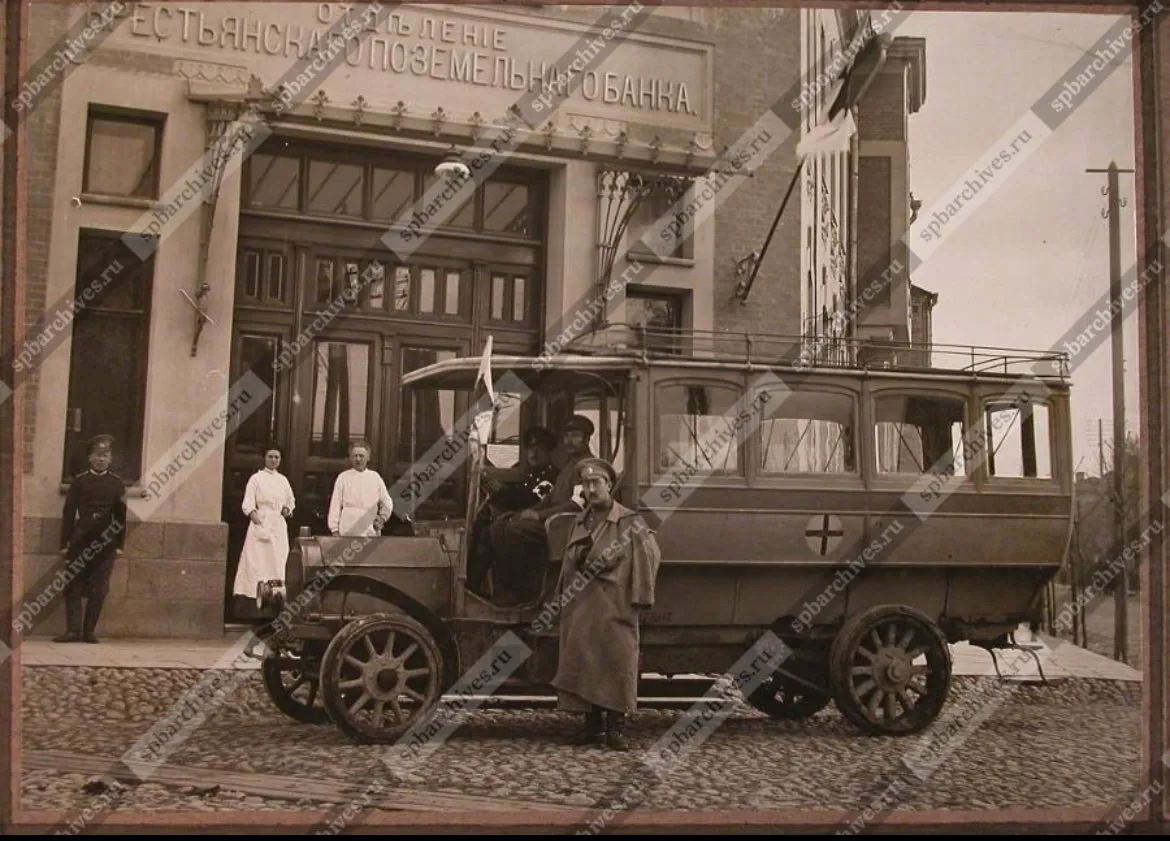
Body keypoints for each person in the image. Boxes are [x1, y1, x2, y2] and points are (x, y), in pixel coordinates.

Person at [551, 456, 661, 751]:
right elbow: (567, 564)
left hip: (615, 606)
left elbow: (648, 558)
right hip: (582, 607)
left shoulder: (629, 522)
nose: (590, 489)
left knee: (616, 663)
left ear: (609, 485)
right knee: (586, 662)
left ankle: (616, 729)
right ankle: (593, 727)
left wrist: (640, 598)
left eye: (596, 483)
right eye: (586, 484)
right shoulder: (580, 520)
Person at [488, 415, 596, 603]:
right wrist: (525, 513)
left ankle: (521, 592)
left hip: (567, 526)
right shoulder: (569, 466)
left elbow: (577, 504)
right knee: (501, 526)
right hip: (552, 521)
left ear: (586, 439)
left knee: (515, 530)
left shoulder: (587, 466)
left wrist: (538, 515)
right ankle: (503, 590)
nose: (569, 441)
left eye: (575, 435)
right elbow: (550, 498)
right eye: (566, 436)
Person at [468, 425, 559, 597]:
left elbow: (530, 500)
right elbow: (520, 494)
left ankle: (506, 591)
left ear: (549, 451)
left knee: (496, 532)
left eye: (539, 447)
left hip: (536, 527)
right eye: (530, 448)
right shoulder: (532, 476)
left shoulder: (550, 477)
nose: (533, 453)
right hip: (522, 521)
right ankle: (472, 585)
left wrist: (501, 492)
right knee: (483, 527)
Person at [56, 434, 128, 644]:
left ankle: (89, 632)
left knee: (99, 588)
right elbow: (69, 513)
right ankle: (73, 631)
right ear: (90, 458)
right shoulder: (79, 482)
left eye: (105, 455)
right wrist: (65, 543)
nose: (101, 459)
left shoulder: (117, 484)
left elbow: (121, 517)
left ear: (110, 459)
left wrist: (119, 545)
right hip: (81, 540)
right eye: (97, 455)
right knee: (73, 585)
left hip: (106, 543)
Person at [232, 445, 296, 605]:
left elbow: (290, 501)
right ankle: (255, 599)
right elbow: (248, 504)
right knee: (258, 562)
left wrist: (287, 510)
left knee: (278, 561)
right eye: (270, 456)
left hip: (278, 526)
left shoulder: (283, 480)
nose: (273, 460)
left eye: (277, 457)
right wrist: (259, 522)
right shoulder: (256, 478)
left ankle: (276, 599)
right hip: (260, 523)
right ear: (264, 458)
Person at [328, 440, 394, 537]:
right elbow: (335, 505)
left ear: (368, 458)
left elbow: (387, 502)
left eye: (361, 456)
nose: (358, 459)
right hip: (347, 530)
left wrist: (382, 518)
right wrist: (334, 529)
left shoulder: (375, 477)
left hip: (369, 531)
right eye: (355, 456)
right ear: (350, 458)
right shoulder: (343, 477)